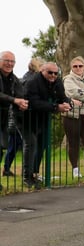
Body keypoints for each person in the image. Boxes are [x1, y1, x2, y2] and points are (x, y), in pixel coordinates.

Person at [23, 62, 72, 189]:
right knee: (31, 143)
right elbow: (34, 103)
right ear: (42, 71)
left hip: (43, 118)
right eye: (50, 72)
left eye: (56, 73)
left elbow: (62, 97)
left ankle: (34, 173)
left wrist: (67, 103)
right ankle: (26, 176)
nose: (53, 75)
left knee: (42, 144)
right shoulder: (32, 82)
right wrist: (56, 107)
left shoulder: (57, 82)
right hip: (26, 118)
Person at [0, 51, 29, 185]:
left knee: (2, 147)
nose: (9, 64)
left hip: (4, 117)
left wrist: (22, 103)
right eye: (6, 60)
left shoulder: (14, 79)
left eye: (12, 61)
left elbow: (20, 94)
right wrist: (14, 100)